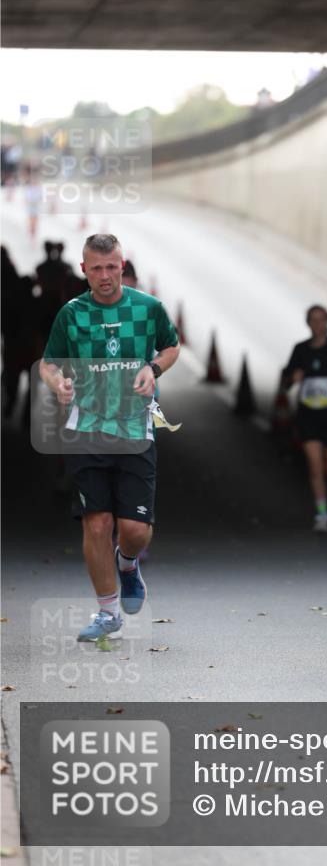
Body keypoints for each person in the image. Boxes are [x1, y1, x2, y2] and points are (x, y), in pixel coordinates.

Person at [38, 233, 180, 642]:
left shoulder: (148, 308)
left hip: (136, 429)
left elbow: (171, 348)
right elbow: (50, 363)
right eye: (96, 268)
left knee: (133, 529)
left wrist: (153, 369)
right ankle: (108, 613)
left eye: (111, 267)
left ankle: (129, 563)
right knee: (96, 524)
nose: (104, 276)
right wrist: (57, 383)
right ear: (83, 269)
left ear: (123, 265)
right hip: (87, 430)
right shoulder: (71, 314)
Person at [283, 305, 327, 532]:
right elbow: (286, 381)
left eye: (322, 320)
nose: (318, 324)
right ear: (308, 323)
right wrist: (293, 377)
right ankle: (322, 513)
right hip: (308, 415)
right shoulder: (300, 350)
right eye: (314, 320)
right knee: (315, 467)